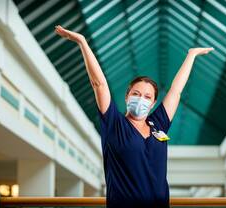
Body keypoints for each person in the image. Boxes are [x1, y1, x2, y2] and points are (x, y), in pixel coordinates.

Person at [55, 25, 213, 208]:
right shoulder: (114, 123)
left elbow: (176, 91)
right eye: (136, 94)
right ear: (127, 96)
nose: (141, 99)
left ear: (153, 103)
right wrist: (82, 42)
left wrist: (191, 55)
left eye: (147, 97)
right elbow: (99, 84)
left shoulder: (158, 124)